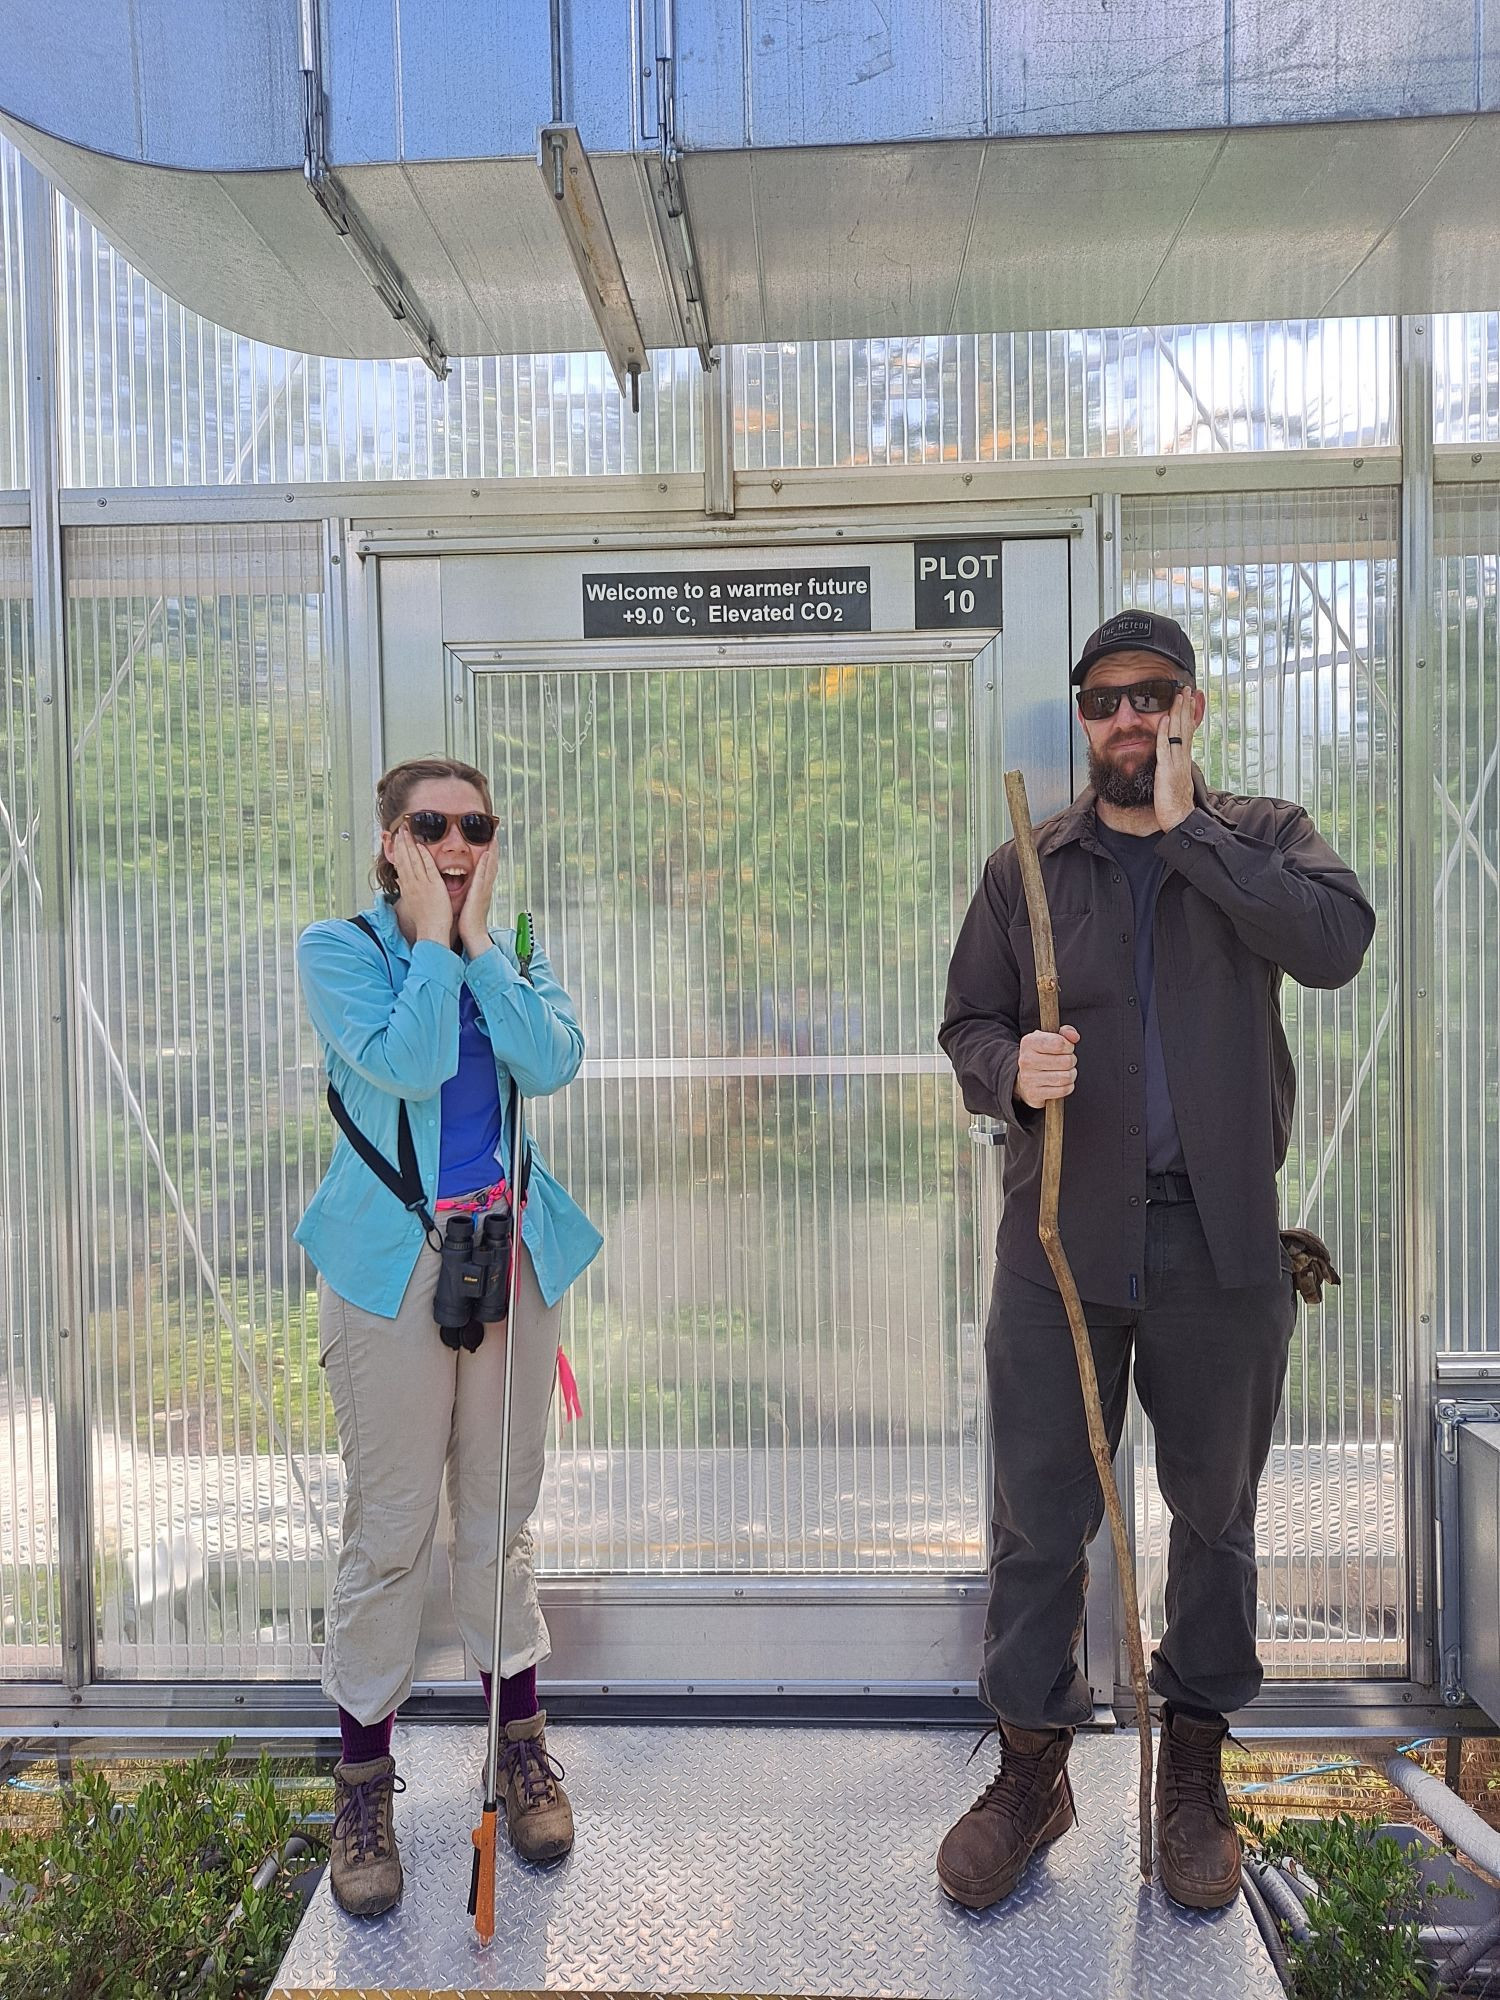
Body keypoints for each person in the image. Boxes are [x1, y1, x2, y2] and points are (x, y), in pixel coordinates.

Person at [936, 611, 1375, 1914]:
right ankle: (1032, 1768)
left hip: (1225, 1242)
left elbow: (1337, 947)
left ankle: (1191, 1769)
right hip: (1060, 1244)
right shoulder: (1027, 863)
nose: (1128, 718)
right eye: (1104, 699)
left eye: (1153, 695)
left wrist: (1194, 832)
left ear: (1191, 707)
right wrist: (1008, 1067)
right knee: (1038, 1522)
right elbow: (968, 1015)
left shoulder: (1265, 837)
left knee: (1216, 1519)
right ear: (1082, 718)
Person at [294, 755, 602, 1917]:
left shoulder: (511, 945)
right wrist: (428, 940)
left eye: (476, 823)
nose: (459, 840)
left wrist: (475, 945)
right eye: (432, 824)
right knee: (389, 1527)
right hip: (391, 1270)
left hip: (510, 1254)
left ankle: (516, 1742)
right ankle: (363, 1779)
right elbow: (410, 1060)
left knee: (499, 1514)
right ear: (391, 840)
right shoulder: (339, 949)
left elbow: (554, 1058)